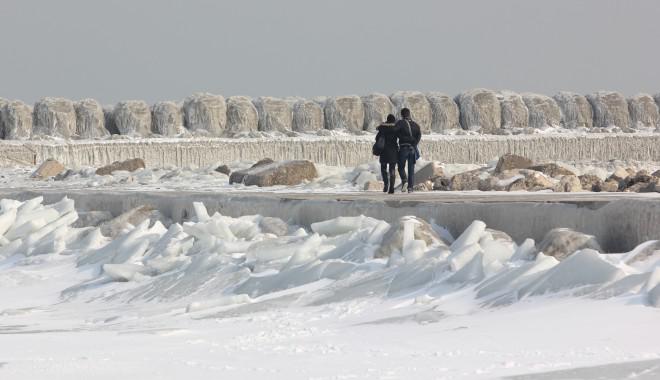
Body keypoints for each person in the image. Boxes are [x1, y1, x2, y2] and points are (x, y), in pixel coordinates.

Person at [395, 107, 422, 193]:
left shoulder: (400, 123)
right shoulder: (416, 124)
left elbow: (394, 131)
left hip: (404, 148)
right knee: (411, 169)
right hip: (412, 149)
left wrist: (400, 136)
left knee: (400, 167)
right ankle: (410, 188)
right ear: (409, 114)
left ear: (402, 115)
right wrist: (414, 144)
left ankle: (404, 180)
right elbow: (419, 135)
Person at [375, 114, 398, 193]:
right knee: (392, 169)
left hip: (384, 151)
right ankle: (391, 187)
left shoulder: (382, 128)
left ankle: (386, 184)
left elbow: (377, 138)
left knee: (383, 168)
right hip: (393, 150)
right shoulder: (396, 128)